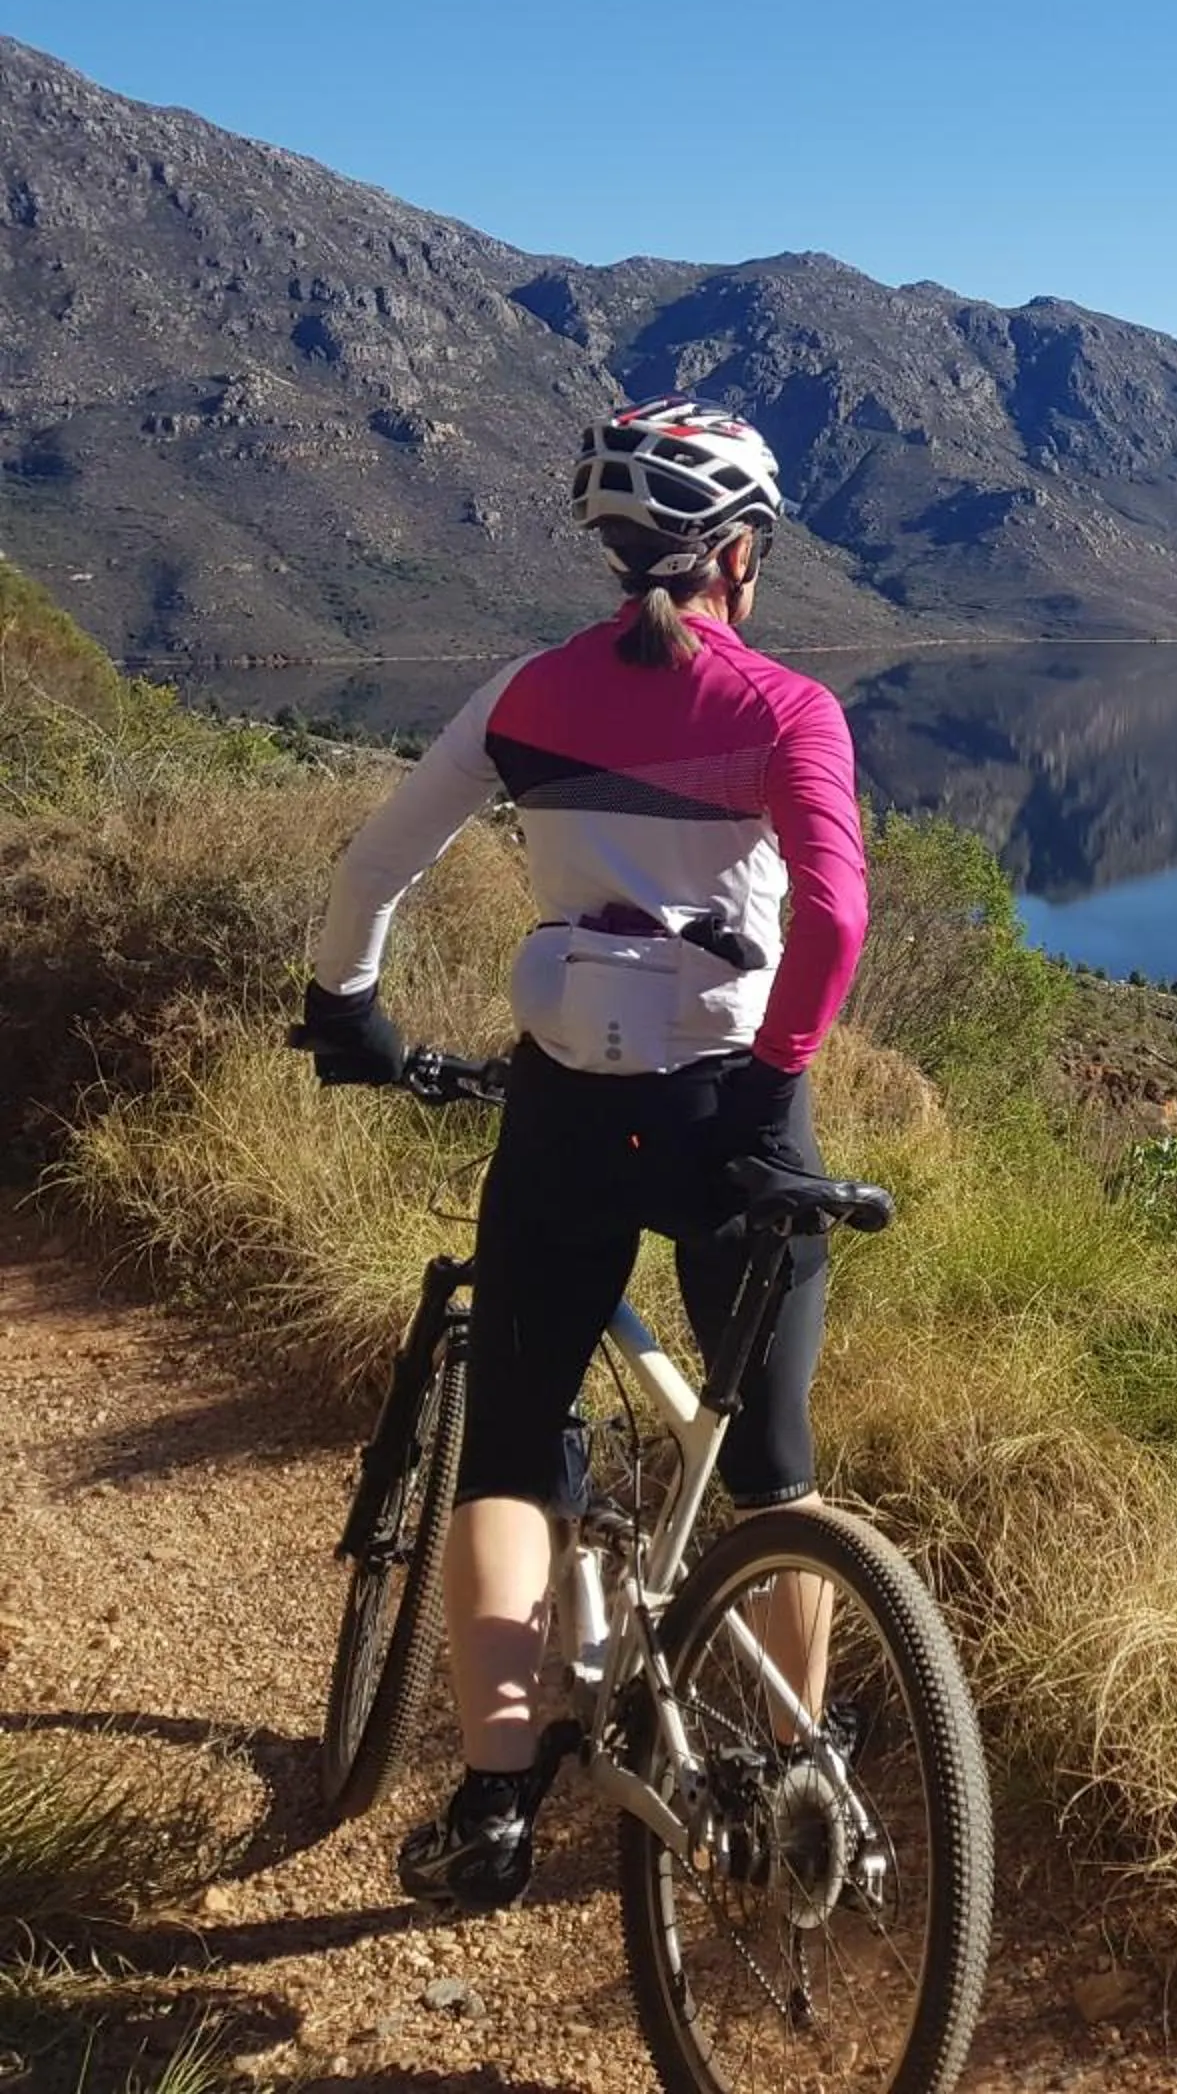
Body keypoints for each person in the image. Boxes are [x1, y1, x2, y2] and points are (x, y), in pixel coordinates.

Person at [301, 396, 869, 1909]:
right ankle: (801, 1759)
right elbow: (835, 918)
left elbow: (376, 864)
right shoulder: (786, 709)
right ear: (739, 557)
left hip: (565, 1111)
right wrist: (773, 1085)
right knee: (775, 1470)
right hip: (729, 1116)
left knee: (510, 1440)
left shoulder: (528, 695)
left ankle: (494, 1794)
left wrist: (346, 1010)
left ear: (616, 552)